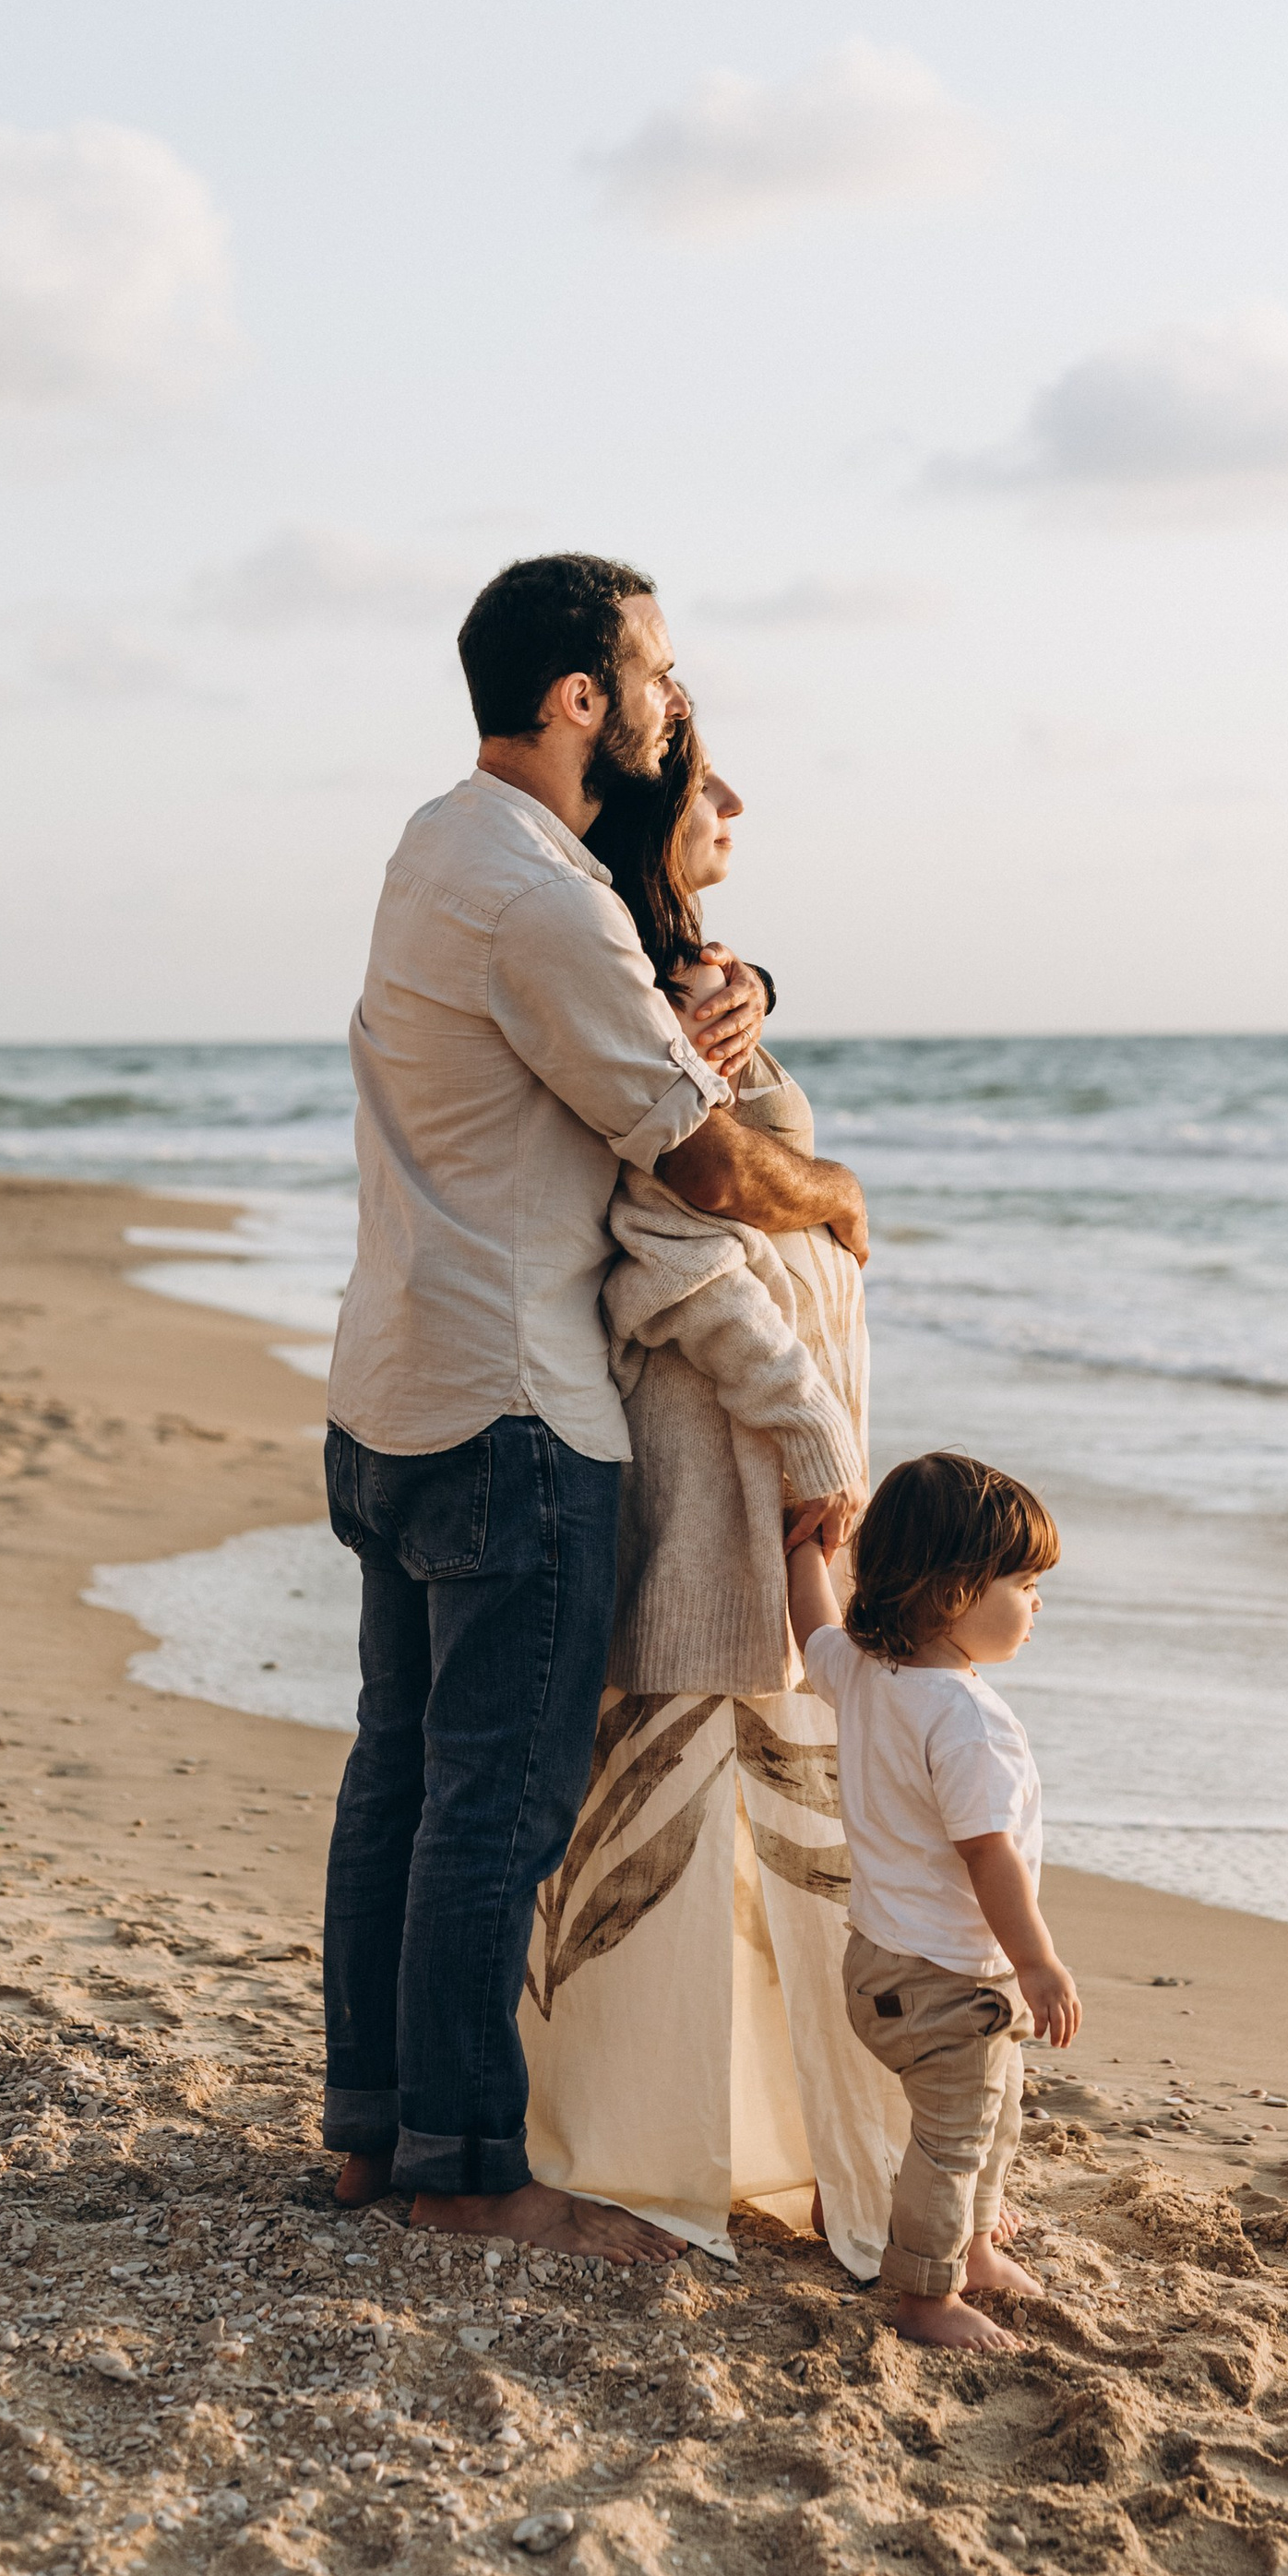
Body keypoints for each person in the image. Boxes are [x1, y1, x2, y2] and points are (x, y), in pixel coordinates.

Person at [319, 551, 869, 2261]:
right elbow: (699, 1159)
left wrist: (731, 991)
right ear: (581, 701)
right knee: (498, 1803)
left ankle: (372, 2136)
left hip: (389, 1386)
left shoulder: (445, 845)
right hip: (516, 1407)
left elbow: (634, 1020)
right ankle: (474, 2172)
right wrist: (837, 1192)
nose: (667, 696)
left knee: (399, 1783)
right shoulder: (542, 897)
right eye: (654, 670)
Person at [519, 722, 910, 2273]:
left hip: (755, 1460)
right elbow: (674, 1252)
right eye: (710, 789)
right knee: (711, 1811)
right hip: (724, 1466)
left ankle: (782, 2149)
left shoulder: (701, 982)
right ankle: (660, 2161)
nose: (737, 805)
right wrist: (812, 1434)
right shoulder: (671, 1002)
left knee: (775, 1804)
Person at [786, 1450, 1080, 2349]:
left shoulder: (868, 1673)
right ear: (955, 1593)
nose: (1037, 1603)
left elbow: (814, 1633)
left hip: (880, 1964)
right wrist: (1037, 1962)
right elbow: (988, 1855)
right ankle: (924, 2295)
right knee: (952, 2139)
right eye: (1023, 1582)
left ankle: (978, 2245)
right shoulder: (964, 1717)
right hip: (951, 1979)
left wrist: (805, 1548)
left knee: (993, 2108)